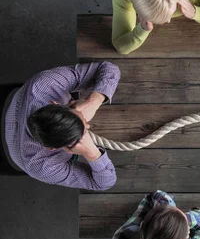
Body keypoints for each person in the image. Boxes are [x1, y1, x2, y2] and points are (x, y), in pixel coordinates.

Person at [3, 62, 120, 190]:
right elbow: (104, 183)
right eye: (82, 134)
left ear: (55, 104)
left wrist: (94, 102)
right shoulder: (40, 166)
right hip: (7, 156)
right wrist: (91, 152)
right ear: (52, 148)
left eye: (78, 112)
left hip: (8, 102)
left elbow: (109, 68)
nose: (88, 125)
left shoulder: (44, 84)